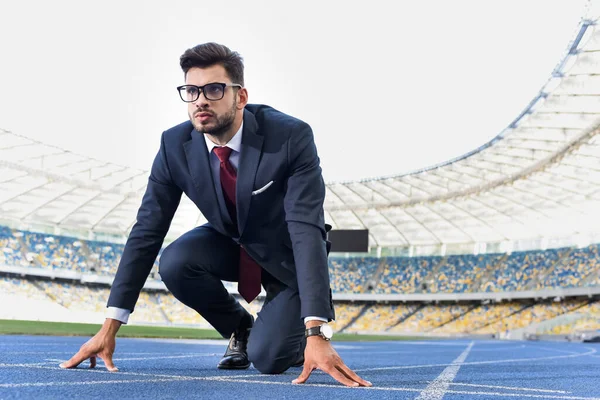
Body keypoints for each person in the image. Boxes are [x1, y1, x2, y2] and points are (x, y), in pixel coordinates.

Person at [60, 42, 371, 388]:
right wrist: (108, 326)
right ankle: (240, 326)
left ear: (240, 96)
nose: (200, 100)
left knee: (267, 359)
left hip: (287, 257)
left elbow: (305, 227)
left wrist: (317, 332)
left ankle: (289, 338)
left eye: (213, 89)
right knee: (175, 261)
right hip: (232, 245)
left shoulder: (289, 137)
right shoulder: (173, 146)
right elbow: (147, 230)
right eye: (191, 91)